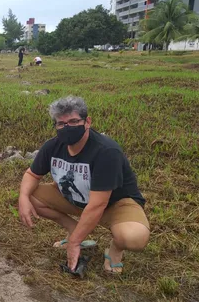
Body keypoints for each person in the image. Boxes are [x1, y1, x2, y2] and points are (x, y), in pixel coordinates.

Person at [18, 96, 150, 274]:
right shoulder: (52, 146)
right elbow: (31, 174)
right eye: (61, 124)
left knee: (134, 238)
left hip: (114, 204)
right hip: (76, 198)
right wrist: (23, 198)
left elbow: (98, 204)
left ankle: (115, 248)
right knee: (30, 194)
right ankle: (73, 229)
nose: (67, 127)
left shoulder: (106, 152)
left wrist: (74, 244)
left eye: (73, 121)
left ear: (87, 122)